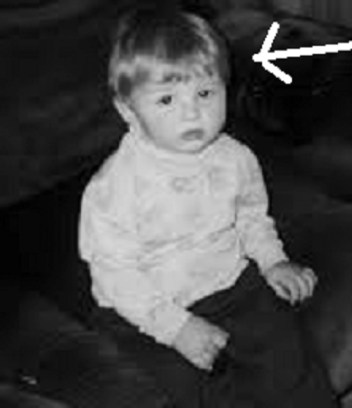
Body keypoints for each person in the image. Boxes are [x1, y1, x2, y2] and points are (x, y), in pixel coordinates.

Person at [78, 6, 337, 408]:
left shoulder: (235, 158)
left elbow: (251, 218)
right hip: (146, 306)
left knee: (288, 357)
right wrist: (176, 328)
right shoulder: (113, 188)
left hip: (230, 285)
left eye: (205, 93)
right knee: (175, 385)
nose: (191, 112)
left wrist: (273, 261)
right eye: (166, 99)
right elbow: (115, 274)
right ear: (128, 110)